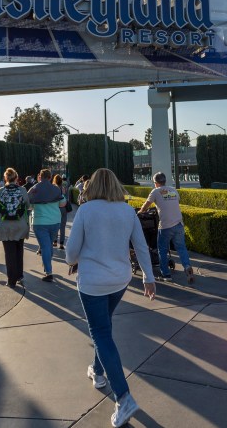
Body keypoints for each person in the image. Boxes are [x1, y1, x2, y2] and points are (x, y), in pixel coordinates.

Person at [65, 168, 156, 428]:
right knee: (104, 328)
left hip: (93, 281)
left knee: (100, 332)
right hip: (120, 280)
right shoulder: (127, 210)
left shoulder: (86, 210)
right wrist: (148, 277)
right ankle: (98, 371)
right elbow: (140, 245)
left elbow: (71, 254)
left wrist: (75, 259)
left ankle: (124, 397)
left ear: (92, 186)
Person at [137, 171, 194, 283]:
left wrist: (140, 212)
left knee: (162, 250)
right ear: (164, 181)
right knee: (181, 248)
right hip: (178, 224)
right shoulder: (173, 190)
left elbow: (146, 205)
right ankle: (187, 266)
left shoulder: (156, 191)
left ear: (156, 183)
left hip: (165, 226)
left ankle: (166, 275)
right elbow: (175, 202)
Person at [28, 169, 66, 282]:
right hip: (55, 221)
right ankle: (47, 265)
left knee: (45, 247)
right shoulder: (55, 189)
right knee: (48, 245)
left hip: (40, 222)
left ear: (40, 177)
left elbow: (28, 205)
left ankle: (49, 272)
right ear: (50, 177)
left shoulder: (34, 189)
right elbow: (63, 203)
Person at [0, 168, 31, 289]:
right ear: (16, 178)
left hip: (5, 226)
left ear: (6, 178)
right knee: (19, 251)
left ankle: (11, 280)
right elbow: (27, 205)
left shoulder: (0, 191)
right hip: (20, 225)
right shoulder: (22, 190)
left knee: (9, 253)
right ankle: (20, 275)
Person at [52, 173, 70, 249]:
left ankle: (55, 241)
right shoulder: (64, 188)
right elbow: (67, 197)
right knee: (62, 226)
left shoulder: (53, 188)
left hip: (56, 208)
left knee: (55, 225)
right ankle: (62, 244)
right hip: (64, 208)